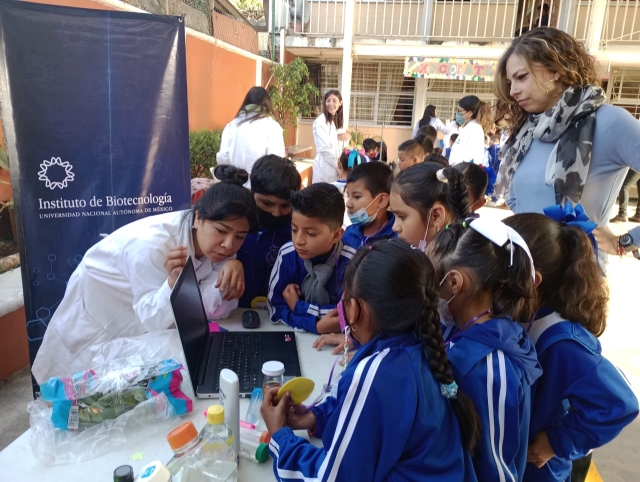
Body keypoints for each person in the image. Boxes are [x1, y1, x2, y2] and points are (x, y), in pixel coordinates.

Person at [261, 239, 480, 482]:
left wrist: (279, 435)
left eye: (344, 297)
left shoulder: (376, 374)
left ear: (354, 310)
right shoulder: (422, 348)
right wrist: (316, 417)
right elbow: (376, 418)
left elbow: (331, 478)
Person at [32, 168, 258, 383]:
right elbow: (154, 320)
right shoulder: (151, 245)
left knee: (117, 395)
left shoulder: (222, 246)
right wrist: (173, 285)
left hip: (140, 318)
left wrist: (232, 266)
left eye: (240, 236)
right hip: (98, 315)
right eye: (221, 231)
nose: (229, 244)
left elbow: (211, 309)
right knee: (72, 396)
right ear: (198, 217)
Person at [504, 210, 639, 482]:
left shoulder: (562, 341)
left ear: (531, 280)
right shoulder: (523, 315)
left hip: (538, 471)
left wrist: (556, 441)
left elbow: (619, 402)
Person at [492, 28, 640, 262]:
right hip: (521, 273)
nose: (513, 91)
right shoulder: (527, 132)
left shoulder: (609, 122)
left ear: (556, 71)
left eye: (521, 77)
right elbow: (520, 203)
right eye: (510, 82)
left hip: (573, 283)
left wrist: (628, 241)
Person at [427, 217, 542, 482]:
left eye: (433, 280)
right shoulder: (486, 329)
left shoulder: (490, 369)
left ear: (454, 283)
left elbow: (496, 468)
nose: (430, 292)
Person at [268, 183, 356, 334]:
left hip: (333, 346)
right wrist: (314, 326)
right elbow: (275, 308)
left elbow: (349, 313)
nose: (298, 240)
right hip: (294, 336)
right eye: (294, 229)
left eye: (311, 233)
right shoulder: (287, 254)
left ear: (336, 235)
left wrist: (298, 306)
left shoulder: (352, 263)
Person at [237, 156, 302, 309]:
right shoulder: (235, 226)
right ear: (252, 192)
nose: (276, 213)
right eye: (267, 203)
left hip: (282, 313)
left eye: (285, 205)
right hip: (235, 312)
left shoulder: (298, 233)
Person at [390, 162, 469, 252]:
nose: (395, 227)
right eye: (394, 216)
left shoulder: (454, 264)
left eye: (402, 217)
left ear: (435, 216)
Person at [217, 87, 285, 185]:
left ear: (246, 103)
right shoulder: (272, 127)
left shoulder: (232, 125)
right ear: (267, 104)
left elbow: (223, 157)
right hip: (259, 191)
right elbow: (276, 165)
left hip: (232, 189)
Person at [342, 162, 396, 249]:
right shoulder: (348, 234)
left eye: (357, 196)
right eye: (348, 195)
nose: (348, 204)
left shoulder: (397, 238)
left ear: (381, 200)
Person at [312, 90, 350, 183]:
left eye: (334, 101)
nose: (330, 103)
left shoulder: (337, 120)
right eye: (328, 100)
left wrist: (348, 137)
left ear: (340, 103)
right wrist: (337, 167)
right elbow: (324, 148)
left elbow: (341, 144)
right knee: (322, 196)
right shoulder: (321, 121)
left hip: (335, 167)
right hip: (324, 168)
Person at [449, 95, 493, 166]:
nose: (457, 114)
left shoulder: (475, 129)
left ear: (470, 113)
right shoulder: (468, 128)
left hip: (462, 172)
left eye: (460, 111)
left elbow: (469, 159)